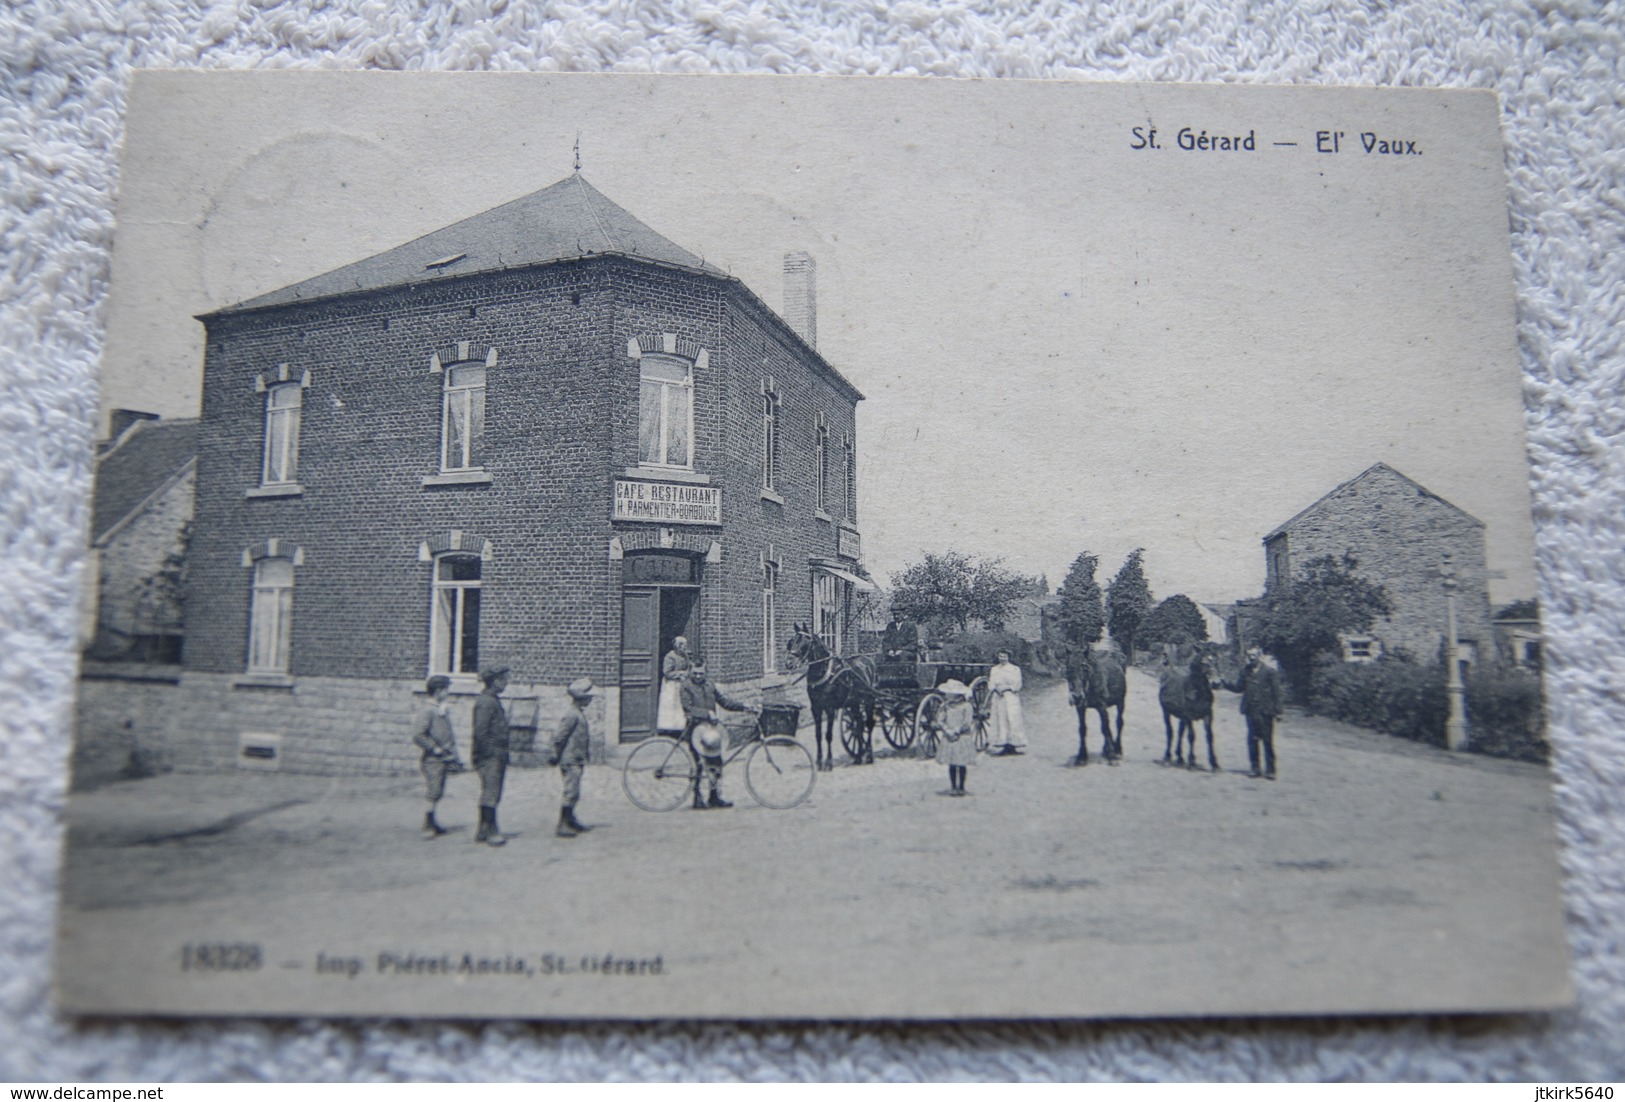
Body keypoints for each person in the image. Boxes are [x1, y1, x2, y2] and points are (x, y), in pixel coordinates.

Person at [680, 660, 751, 809]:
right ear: (690, 672)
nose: (698, 676)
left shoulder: (710, 685)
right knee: (698, 765)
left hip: (711, 731)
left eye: (701, 673)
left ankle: (714, 797)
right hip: (695, 730)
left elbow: (724, 702)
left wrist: (744, 707)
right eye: (695, 673)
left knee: (716, 764)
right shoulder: (686, 687)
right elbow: (688, 708)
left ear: (706, 673)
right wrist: (707, 713)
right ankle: (697, 797)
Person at [410, 674, 465, 838]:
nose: (447, 693)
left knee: (438, 790)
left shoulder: (440, 708)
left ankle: (432, 821)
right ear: (438, 691)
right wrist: (435, 749)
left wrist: (454, 756)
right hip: (433, 760)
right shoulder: (428, 710)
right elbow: (418, 735)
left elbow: (448, 735)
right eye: (445, 689)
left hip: (444, 758)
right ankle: (427, 825)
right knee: (434, 791)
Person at [470, 664, 513, 846]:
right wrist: (489, 755)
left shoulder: (491, 699)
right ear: (495, 681)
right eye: (504, 680)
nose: (506, 683)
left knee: (491, 791)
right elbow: (480, 732)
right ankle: (492, 830)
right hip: (491, 754)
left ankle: (482, 830)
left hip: (496, 753)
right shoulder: (486, 702)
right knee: (491, 792)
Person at [551, 678, 596, 838]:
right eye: (588, 696)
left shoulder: (578, 713)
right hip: (570, 759)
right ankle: (563, 824)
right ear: (581, 697)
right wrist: (555, 754)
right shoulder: (572, 715)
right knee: (571, 790)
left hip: (577, 758)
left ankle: (570, 819)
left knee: (575, 791)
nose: (591, 699)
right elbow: (559, 737)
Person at [1238, 646, 1284, 779]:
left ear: (1260, 655)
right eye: (1249, 655)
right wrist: (1223, 683)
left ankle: (1270, 770)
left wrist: (1279, 711)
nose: (1252, 658)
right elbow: (1239, 687)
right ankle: (1255, 768)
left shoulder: (1270, 672)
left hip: (1266, 711)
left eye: (1254, 655)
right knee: (1252, 740)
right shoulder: (1245, 671)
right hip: (1250, 711)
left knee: (1267, 740)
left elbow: (1277, 692)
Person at [932, 679, 978, 796]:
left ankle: (961, 787)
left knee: (961, 763)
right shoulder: (945, 706)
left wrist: (956, 731)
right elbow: (940, 720)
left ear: (956, 694)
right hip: (949, 737)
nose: (946, 695)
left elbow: (967, 722)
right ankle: (953, 786)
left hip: (962, 737)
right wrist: (947, 730)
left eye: (949, 693)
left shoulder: (966, 706)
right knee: (952, 763)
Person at [987, 649, 1027, 756]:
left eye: (1004, 656)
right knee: (1000, 720)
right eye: (1000, 656)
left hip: (1010, 697)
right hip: (998, 698)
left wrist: (1006, 688)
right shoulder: (994, 669)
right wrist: (996, 689)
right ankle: (1003, 744)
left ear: (1008, 657)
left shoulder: (1014, 669)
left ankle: (1013, 745)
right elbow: (991, 684)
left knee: (1012, 719)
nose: (1002, 659)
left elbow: (1017, 684)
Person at [657, 636, 692, 735]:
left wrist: (687, 673)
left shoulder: (685, 656)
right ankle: (668, 729)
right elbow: (667, 672)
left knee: (680, 706)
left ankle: (679, 728)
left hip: (681, 684)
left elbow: (688, 667)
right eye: (682, 646)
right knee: (670, 706)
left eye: (685, 646)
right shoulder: (670, 656)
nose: (684, 648)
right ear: (677, 646)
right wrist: (680, 674)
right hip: (671, 685)